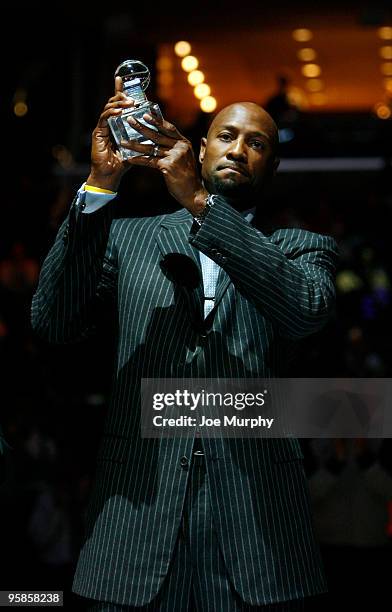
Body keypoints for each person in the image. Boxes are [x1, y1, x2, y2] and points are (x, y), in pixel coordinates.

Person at [31, 75, 338, 611]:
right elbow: (53, 320)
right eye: (226, 136)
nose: (239, 150)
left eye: (257, 143)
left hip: (257, 535)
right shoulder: (129, 238)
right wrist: (102, 183)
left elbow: (304, 312)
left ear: (272, 167)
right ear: (202, 147)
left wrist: (200, 202)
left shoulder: (300, 248)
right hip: (135, 529)